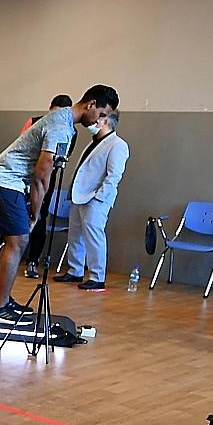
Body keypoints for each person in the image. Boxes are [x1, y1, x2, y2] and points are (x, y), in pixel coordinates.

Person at [0, 85, 117, 322]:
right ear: (91, 105)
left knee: (19, 241)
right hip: (4, 179)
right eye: (102, 113)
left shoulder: (64, 123)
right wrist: (35, 213)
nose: (100, 120)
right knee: (19, 241)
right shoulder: (60, 126)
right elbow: (42, 176)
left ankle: (2, 300)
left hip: (8, 181)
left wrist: (34, 212)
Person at [56, 109, 129, 291]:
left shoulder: (117, 145)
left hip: (95, 199)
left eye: (96, 118)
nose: (91, 122)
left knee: (94, 237)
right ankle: (75, 270)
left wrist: (99, 197)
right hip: (78, 196)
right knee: (75, 236)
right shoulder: (93, 143)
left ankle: (97, 276)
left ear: (105, 121)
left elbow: (114, 176)